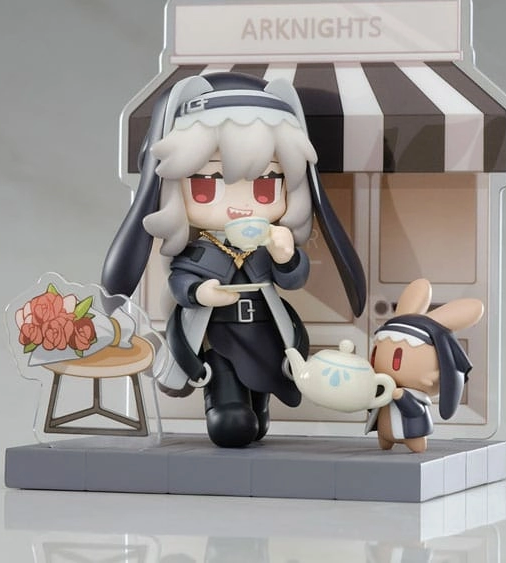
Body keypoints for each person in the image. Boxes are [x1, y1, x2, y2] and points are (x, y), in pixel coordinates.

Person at [102, 72, 365, 447]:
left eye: (265, 184)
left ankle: (259, 409)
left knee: (259, 405)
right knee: (231, 418)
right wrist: (200, 292)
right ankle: (226, 408)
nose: (240, 204)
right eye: (206, 183)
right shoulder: (201, 246)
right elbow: (180, 280)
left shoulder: (266, 243)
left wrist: (286, 257)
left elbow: (292, 280)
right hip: (219, 338)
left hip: (264, 335)